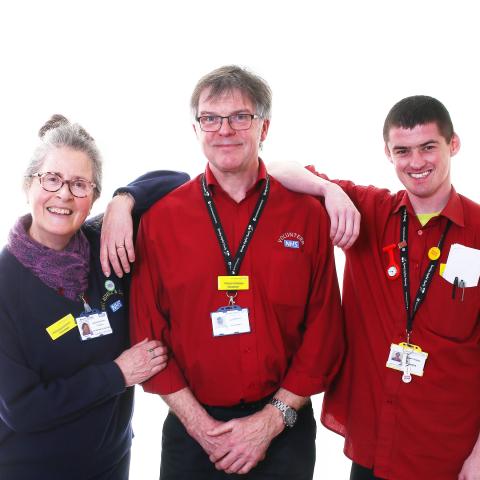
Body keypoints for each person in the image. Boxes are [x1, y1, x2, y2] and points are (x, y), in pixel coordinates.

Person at [127, 65, 345, 479]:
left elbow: (324, 331)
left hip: (284, 427)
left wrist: (271, 421)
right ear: (196, 129)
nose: (224, 129)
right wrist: (200, 427)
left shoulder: (306, 215)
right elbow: (148, 333)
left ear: (263, 128)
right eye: (211, 117)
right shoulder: (159, 221)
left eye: (240, 117)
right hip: (192, 435)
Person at [268, 95, 480, 480]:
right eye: (403, 150)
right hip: (375, 442)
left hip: (450, 451)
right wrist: (328, 190)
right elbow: (275, 170)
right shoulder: (369, 210)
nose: (415, 163)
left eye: (428, 147)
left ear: (454, 144)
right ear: (388, 153)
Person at [0, 114, 189, 479]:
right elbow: (22, 409)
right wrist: (118, 374)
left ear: (93, 197)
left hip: (111, 464)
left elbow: (179, 182)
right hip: (31, 468)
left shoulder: (108, 243)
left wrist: (124, 201)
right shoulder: (5, 284)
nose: (64, 194)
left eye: (79, 184)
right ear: (28, 186)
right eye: (51, 179)